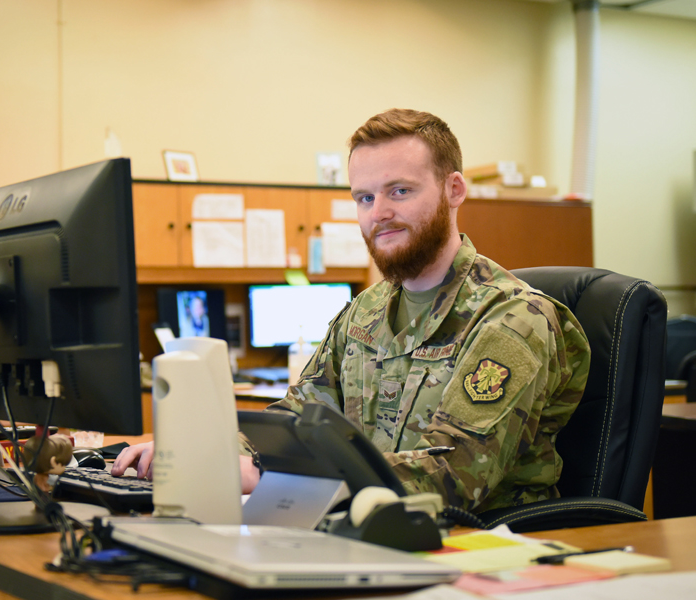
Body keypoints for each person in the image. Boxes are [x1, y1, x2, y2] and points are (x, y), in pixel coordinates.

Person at [113, 108, 590, 514]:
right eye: (364, 197)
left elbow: (457, 473)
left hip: (476, 550)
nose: (378, 211)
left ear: (454, 190)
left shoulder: (513, 319)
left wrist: (264, 472)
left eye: (399, 191)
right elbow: (295, 418)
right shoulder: (366, 311)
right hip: (362, 532)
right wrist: (202, 453)